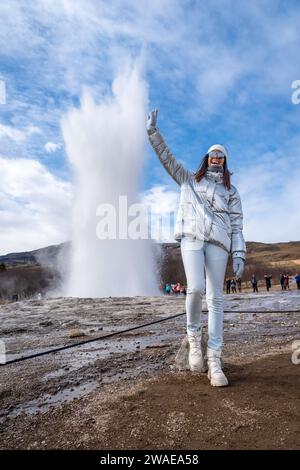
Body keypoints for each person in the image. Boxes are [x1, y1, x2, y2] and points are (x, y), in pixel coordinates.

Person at [147, 109, 246, 387]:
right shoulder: (188, 179)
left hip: (218, 242)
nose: (216, 157)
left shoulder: (231, 191)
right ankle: (194, 341)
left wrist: (239, 252)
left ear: (225, 161)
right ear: (207, 158)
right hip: (191, 237)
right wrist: (153, 133)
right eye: (213, 154)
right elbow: (167, 158)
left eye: (221, 155)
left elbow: (237, 224)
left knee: (216, 298)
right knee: (195, 289)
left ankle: (214, 359)